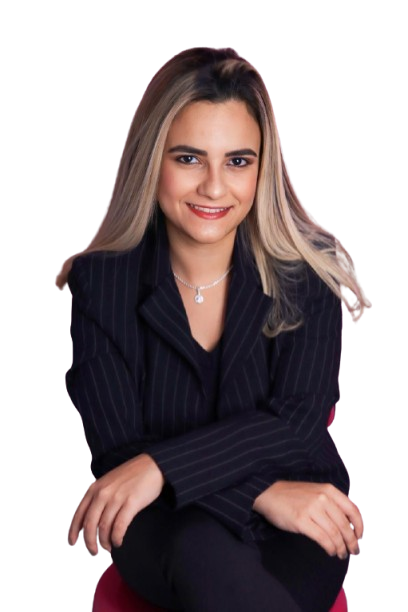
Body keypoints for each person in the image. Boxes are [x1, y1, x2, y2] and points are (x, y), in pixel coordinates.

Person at [56, 47, 371, 612]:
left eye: (238, 161)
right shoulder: (101, 283)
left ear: (262, 168)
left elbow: (296, 424)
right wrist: (261, 492)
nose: (215, 187)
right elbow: (119, 449)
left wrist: (162, 466)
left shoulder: (309, 272)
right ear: (152, 160)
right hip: (161, 520)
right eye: (189, 158)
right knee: (200, 549)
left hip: (301, 514)